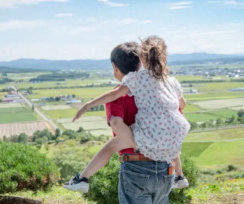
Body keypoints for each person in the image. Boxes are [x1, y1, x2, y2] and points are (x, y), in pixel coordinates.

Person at [64, 36, 190, 195]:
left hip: (140, 157)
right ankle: (179, 177)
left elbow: (114, 107)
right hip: (175, 133)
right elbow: (182, 105)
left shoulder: (135, 81)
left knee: (111, 146)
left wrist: (88, 105)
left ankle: (83, 179)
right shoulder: (169, 81)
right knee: (169, 138)